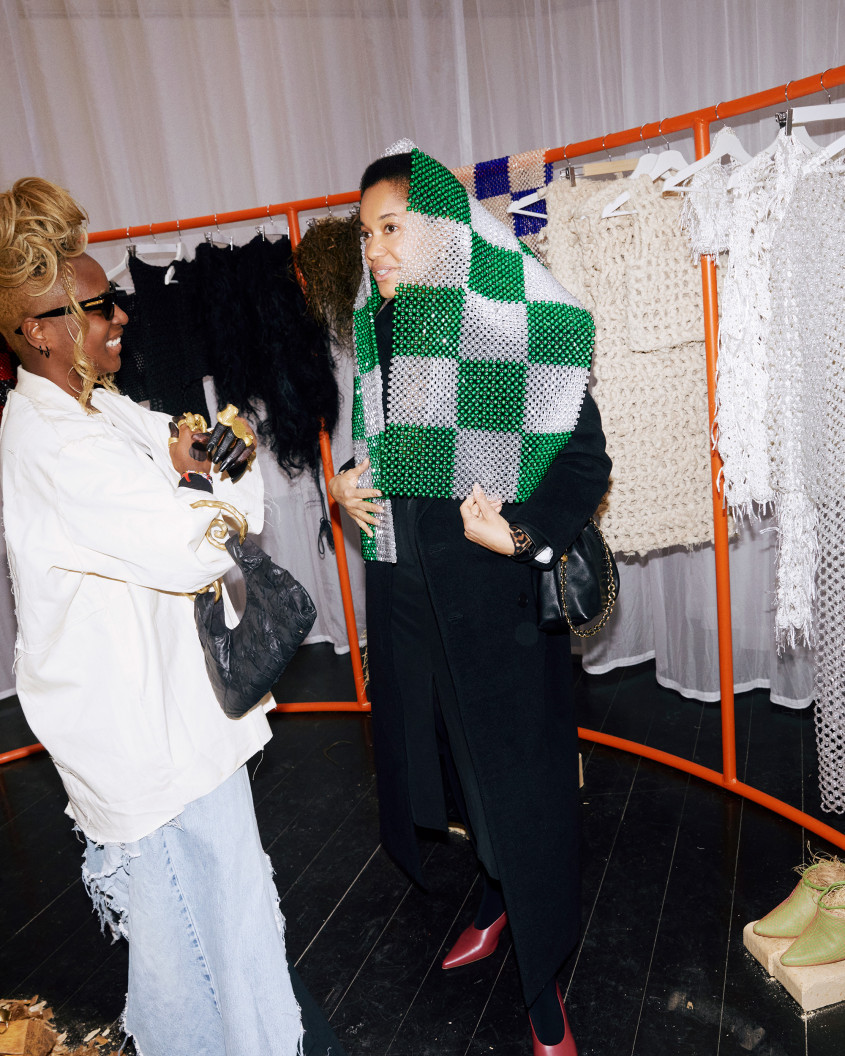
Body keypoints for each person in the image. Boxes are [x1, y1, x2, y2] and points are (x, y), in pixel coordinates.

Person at [0, 177, 343, 1056]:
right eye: (100, 305)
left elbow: (148, 429)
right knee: (203, 934)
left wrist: (183, 443)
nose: (120, 318)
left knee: (207, 927)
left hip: (161, 722)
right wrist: (232, 480)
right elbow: (194, 544)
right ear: (39, 330)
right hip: (139, 738)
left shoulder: (87, 403)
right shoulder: (50, 440)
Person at [328, 142, 611, 1056]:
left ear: (442, 228)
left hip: (493, 603)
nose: (373, 250)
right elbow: (376, 453)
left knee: (518, 791)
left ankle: (542, 984)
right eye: (366, 232)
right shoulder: (379, 323)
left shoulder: (515, 318)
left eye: (391, 228)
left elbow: (581, 464)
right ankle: (493, 903)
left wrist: (525, 534)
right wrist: (341, 487)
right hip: (410, 601)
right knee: (454, 773)